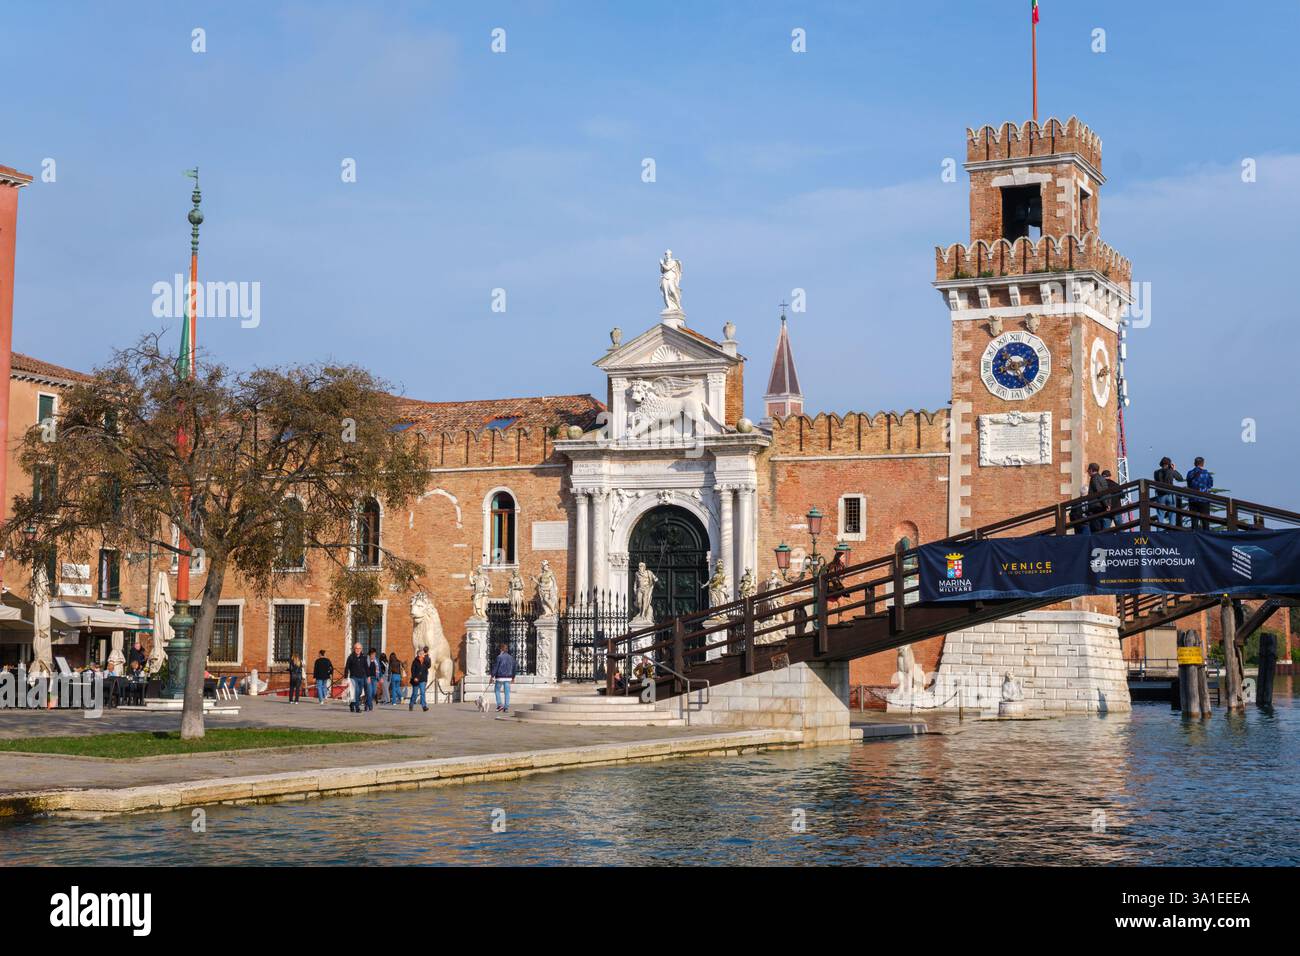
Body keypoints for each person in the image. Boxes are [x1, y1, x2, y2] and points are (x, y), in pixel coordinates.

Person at [1185, 457, 1215, 530]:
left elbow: (1188, 484)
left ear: (1194, 463)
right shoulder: (1207, 474)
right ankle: (1206, 537)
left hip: (1193, 499)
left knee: (1194, 521)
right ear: (1203, 463)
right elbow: (1210, 485)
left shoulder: (1190, 473)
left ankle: (1194, 537)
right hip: (1204, 499)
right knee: (1205, 521)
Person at [1154, 457, 1184, 530]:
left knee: (1160, 514)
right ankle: (1171, 531)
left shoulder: (1156, 472)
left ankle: (1159, 532)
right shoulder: (1171, 471)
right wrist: (1174, 469)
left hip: (1160, 495)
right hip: (1170, 494)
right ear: (1169, 464)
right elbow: (1180, 478)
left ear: (1161, 464)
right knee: (1172, 514)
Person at [343, 641, 369, 713]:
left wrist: (368, 676)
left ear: (361, 649)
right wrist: (345, 677)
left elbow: (366, 667)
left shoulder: (364, 657)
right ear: (354, 649)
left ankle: (352, 704)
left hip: (362, 677)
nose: (358, 650)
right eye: (356, 648)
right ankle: (357, 708)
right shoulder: (351, 657)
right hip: (353, 677)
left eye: (359, 648)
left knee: (359, 692)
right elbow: (347, 667)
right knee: (356, 691)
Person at [490, 641, 515, 713]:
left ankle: (499, 705)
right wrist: (513, 677)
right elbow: (514, 668)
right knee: (507, 692)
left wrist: (492, 676)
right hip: (508, 677)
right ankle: (506, 707)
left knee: (497, 690)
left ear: (501, 649)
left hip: (500, 677)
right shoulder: (511, 657)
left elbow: (495, 667)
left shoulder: (499, 657)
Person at [1085, 463, 1109, 533]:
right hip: (1101, 506)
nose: (1087, 471)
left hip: (1096, 507)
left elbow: (1099, 492)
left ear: (1091, 470)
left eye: (1088, 470)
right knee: (1100, 528)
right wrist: (1107, 504)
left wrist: (1106, 504)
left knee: (1095, 529)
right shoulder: (1101, 478)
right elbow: (1106, 492)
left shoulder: (1094, 478)